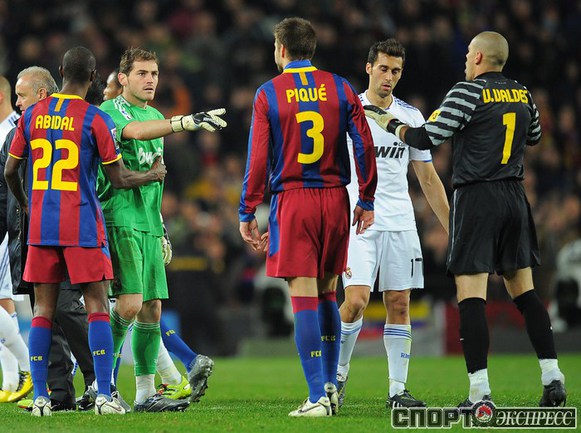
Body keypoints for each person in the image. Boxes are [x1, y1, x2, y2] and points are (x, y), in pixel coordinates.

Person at [364, 31, 567, 407]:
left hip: (477, 198)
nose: (464, 60)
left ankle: (479, 393)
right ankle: (552, 376)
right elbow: (535, 136)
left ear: (477, 58)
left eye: (468, 54)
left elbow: (426, 138)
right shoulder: (523, 93)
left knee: (471, 296)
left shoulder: (466, 92)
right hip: (515, 197)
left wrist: (387, 121)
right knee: (525, 292)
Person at [5, 46, 166, 416]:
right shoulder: (96, 119)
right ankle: (105, 395)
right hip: (82, 225)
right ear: (94, 77)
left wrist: (27, 203)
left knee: (43, 310)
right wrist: (152, 174)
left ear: (61, 72)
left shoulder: (32, 115)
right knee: (96, 306)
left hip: (42, 227)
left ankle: (41, 397)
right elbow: (118, 178)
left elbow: (11, 171)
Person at [239, 17, 377, 417]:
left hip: (295, 198)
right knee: (327, 292)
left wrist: (248, 208)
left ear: (281, 49)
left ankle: (316, 395)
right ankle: (330, 385)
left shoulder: (269, 93)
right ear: (311, 49)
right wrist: (366, 198)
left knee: (302, 295)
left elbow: (258, 158)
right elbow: (363, 143)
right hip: (335, 198)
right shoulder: (341, 87)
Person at [97, 47, 226, 412]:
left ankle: (145, 394)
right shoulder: (110, 111)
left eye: (154, 73)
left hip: (149, 223)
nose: (150, 79)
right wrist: (183, 122)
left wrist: (162, 227)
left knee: (152, 309)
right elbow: (136, 133)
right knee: (128, 304)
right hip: (120, 217)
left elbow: (158, 176)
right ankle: (102, 384)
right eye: (142, 73)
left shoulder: (155, 115)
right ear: (124, 78)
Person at [337, 39, 450, 409]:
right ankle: (336, 377)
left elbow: (428, 178)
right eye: (383, 68)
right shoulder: (348, 111)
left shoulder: (411, 117)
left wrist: (453, 228)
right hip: (358, 222)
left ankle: (397, 390)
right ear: (369, 68)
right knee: (355, 301)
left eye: (396, 71)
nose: (389, 76)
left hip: (400, 222)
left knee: (399, 303)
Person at [0, 75, 32, 404]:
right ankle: (11, 380)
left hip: (9, 225)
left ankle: (27, 368)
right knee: (3, 302)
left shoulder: (12, 129)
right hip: (7, 225)